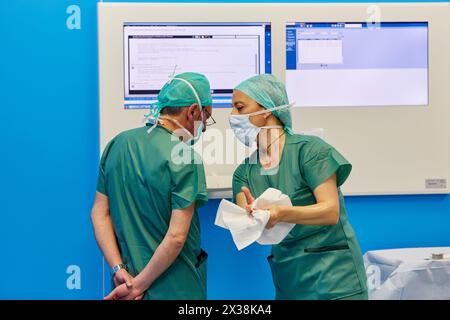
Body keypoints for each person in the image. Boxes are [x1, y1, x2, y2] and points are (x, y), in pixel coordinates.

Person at [230, 74, 368, 300]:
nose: (233, 116)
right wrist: (249, 218)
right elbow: (246, 223)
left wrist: (282, 213)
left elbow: (330, 212)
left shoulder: (310, 151)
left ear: (266, 110)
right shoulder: (244, 172)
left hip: (334, 278)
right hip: (289, 278)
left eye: (240, 107)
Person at [91, 72, 214, 300]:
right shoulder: (185, 157)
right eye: (206, 118)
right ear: (193, 111)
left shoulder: (117, 144)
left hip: (125, 284)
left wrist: (119, 270)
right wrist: (139, 286)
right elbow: (177, 237)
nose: (204, 127)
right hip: (175, 288)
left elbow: (100, 213)